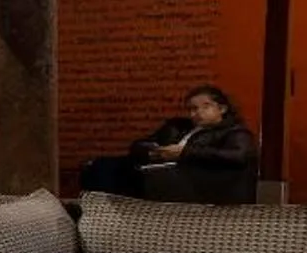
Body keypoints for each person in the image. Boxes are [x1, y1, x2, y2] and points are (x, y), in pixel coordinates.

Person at [79, 85, 258, 204]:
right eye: (192, 109)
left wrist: (184, 152)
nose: (197, 113)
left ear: (222, 109)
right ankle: (97, 210)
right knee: (100, 165)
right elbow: (139, 144)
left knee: (116, 172)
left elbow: (238, 156)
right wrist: (152, 152)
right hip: (157, 167)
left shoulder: (234, 132)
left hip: (187, 178)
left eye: (205, 107)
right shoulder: (177, 127)